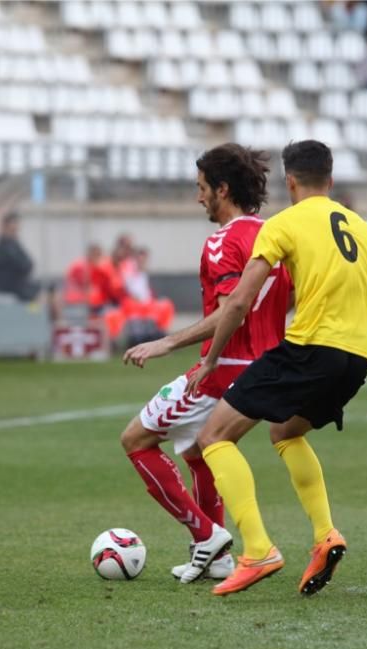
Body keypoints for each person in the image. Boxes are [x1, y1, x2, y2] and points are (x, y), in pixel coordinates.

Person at [187, 140, 367, 596]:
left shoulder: (282, 224)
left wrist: (211, 358)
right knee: (285, 433)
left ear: (289, 182)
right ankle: (324, 535)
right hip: (357, 362)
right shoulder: (366, 230)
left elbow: (239, 301)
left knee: (213, 436)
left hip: (310, 349)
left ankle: (257, 550)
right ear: (330, 181)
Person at [119, 143, 291, 583]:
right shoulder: (276, 235)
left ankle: (205, 533)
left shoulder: (222, 242)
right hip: (268, 368)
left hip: (225, 368)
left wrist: (168, 342)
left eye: (201, 189)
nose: (198, 199)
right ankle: (215, 557)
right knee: (198, 450)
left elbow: (232, 306)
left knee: (136, 439)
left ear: (223, 188)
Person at [0, 212, 40, 302]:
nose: (17, 227)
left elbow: (28, 262)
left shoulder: (14, 243)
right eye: (14, 223)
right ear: (6, 225)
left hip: (17, 283)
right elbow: (21, 264)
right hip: (8, 285)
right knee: (37, 292)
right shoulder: (4, 244)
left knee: (44, 288)